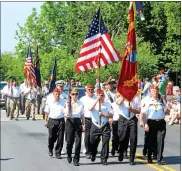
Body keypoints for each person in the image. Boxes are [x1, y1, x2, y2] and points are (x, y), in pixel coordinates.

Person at [142, 85, 166, 165]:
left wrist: (166, 110)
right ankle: (149, 156)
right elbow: (144, 114)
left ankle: (159, 159)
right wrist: (145, 124)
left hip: (161, 122)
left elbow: (167, 110)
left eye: (156, 91)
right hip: (151, 122)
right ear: (150, 92)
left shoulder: (161, 100)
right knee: (151, 141)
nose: (155, 92)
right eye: (153, 91)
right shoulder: (147, 101)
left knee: (160, 141)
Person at [89, 89, 113, 165]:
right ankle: (93, 153)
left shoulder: (107, 104)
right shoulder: (93, 102)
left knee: (105, 143)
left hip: (105, 125)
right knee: (93, 142)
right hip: (95, 125)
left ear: (104, 96)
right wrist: (97, 101)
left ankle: (104, 159)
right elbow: (90, 109)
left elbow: (111, 114)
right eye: (99, 95)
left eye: (102, 95)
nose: (100, 97)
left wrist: (104, 115)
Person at [117, 93, 141, 165]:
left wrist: (132, 110)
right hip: (123, 119)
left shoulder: (136, 98)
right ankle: (121, 151)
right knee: (123, 137)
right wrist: (124, 96)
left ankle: (132, 158)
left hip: (132, 119)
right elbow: (118, 103)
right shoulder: (121, 97)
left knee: (133, 139)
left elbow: (139, 111)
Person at [64, 88, 85, 166]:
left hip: (77, 121)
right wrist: (67, 115)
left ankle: (76, 159)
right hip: (70, 122)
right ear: (70, 95)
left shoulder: (80, 103)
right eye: (73, 94)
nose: (75, 96)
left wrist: (83, 124)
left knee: (78, 142)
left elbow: (82, 114)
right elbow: (65, 113)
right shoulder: (67, 103)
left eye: (76, 94)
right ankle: (69, 154)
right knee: (69, 141)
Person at [44, 87, 66, 159]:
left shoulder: (63, 101)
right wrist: (45, 121)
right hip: (52, 120)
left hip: (61, 121)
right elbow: (46, 112)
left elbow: (66, 111)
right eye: (56, 94)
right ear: (53, 94)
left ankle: (58, 152)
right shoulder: (50, 101)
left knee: (60, 137)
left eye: (58, 94)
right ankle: (50, 148)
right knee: (51, 137)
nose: (57, 95)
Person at [80, 84, 96, 159]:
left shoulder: (96, 98)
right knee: (87, 135)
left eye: (92, 89)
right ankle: (88, 151)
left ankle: (93, 150)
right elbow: (80, 111)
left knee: (94, 136)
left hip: (95, 119)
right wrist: (82, 122)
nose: (91, 91)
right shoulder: (82, 99)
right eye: (89, 89)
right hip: (86, 119)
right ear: (86, 90)